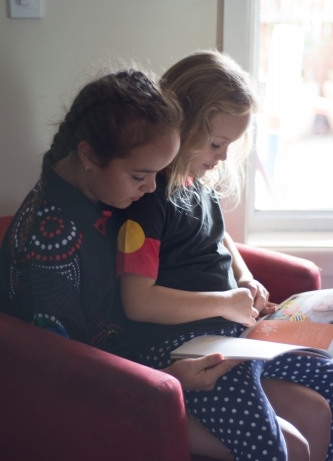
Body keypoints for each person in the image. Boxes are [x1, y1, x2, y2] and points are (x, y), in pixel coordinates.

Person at [0, 67, 252, 447]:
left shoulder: (102, 194)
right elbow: (68, 376)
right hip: (99, 400)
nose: (151, 188)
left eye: (158, 174)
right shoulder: (50, 246)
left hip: (147, 366)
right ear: (88, 155)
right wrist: (168, 376)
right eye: (140, 176)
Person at [116, 51, 332, 461]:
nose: (224, 155)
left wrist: (246, 277)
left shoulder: (198, 181)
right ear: (183, 125)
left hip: (234, 337)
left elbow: (220, 239)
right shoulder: (147, 198)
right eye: (217, 143)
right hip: (186, 349)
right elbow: (138, 300)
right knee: (269, 445)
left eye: (230, 145)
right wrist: (227, 303)